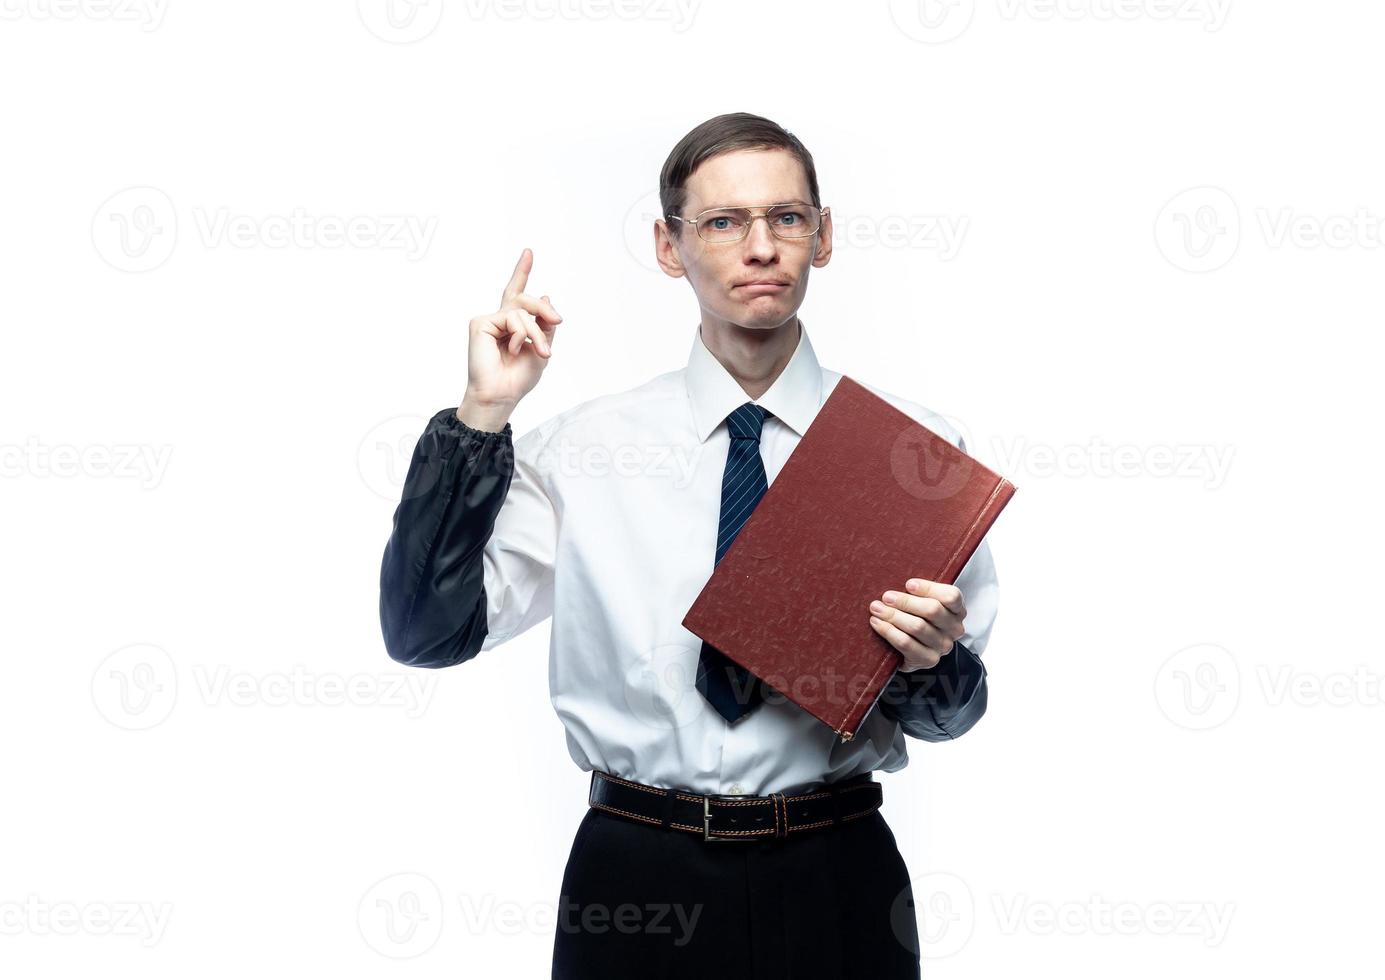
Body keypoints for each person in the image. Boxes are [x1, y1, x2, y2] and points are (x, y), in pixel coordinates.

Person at [378, 112, 999, 979]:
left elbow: (952, 716)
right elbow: (426, 634)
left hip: (838, 872)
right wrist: (482, 417)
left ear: (822, 240)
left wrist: (932, 661)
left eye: (786, 218)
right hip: (636, 875)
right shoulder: (585, 450)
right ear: (670, 249)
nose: (759, 247)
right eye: (721, 222)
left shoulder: (909, 455)